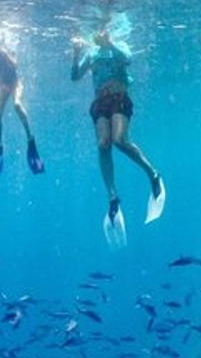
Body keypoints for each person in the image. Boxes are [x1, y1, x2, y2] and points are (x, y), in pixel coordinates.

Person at [71, 28, 165, 248]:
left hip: (120, 97)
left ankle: (153, 175)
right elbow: (75, 77)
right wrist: (76, 53)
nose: (100, 33)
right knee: (103, 144)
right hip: (100, 102)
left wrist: (110, 43)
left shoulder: (119, 45)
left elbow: (128, 59)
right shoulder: (91, 52)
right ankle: (112, 197)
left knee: (120, 140)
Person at [0, 36, 43, 175]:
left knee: (16, 104)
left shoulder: (9, 50)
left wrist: (5, 54)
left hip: (16, 84)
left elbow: (15, 65)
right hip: (3, 86)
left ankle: (30, 137)